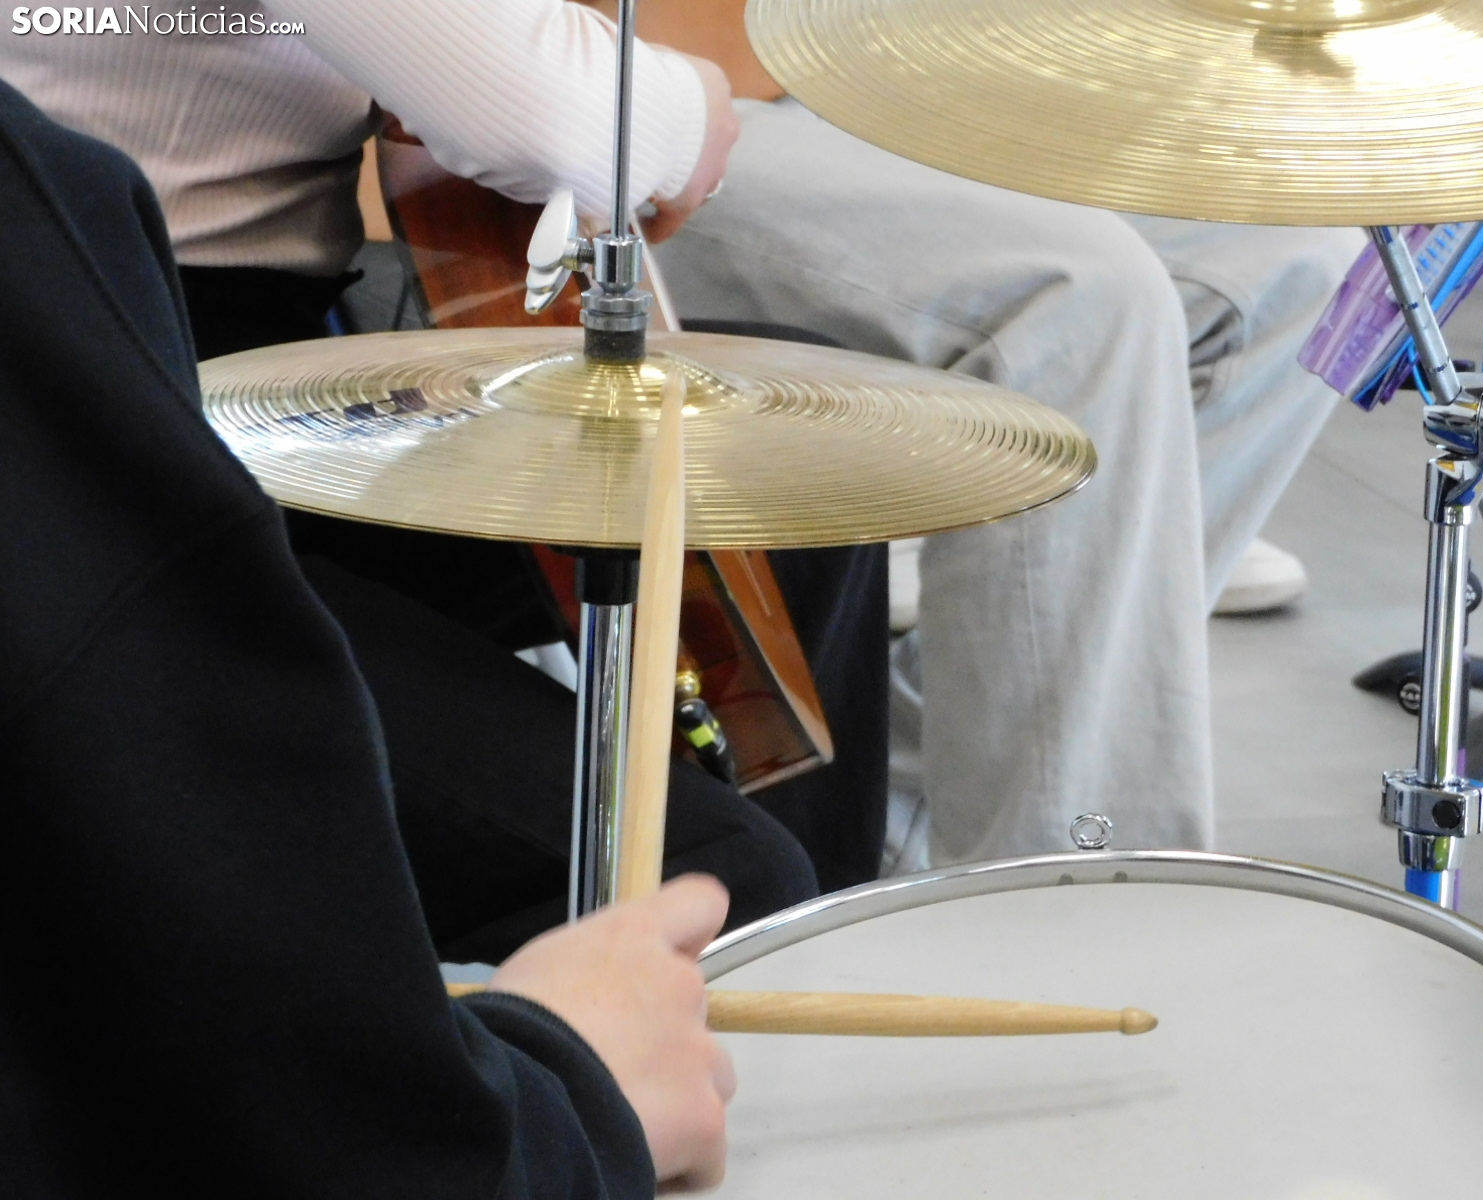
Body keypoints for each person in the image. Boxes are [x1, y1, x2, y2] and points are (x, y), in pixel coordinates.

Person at [0, 0, 893, 943]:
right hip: (85, 486)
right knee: (711, 877)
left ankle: (813, 981)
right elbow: (557, 118)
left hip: (243, 400)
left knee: (792, 455)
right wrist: (696, 104)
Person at [0, 77, 731, 1195]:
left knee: (791, 527)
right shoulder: (29, 217)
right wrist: (573, 1093)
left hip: (265, 355)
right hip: (204, 379)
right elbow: (562, 114)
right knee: (722, 867)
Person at [600, 0, 1367, 866]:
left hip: (834, 70)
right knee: (1079, 301)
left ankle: (915, 799)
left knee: (1298, 262)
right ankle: (1064, 895)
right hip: (619, 94)